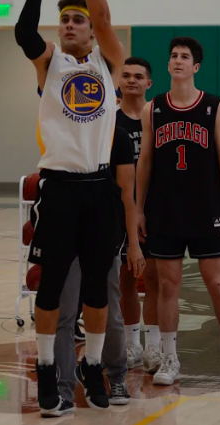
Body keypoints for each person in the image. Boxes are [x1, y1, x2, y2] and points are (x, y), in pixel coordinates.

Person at [14, 0, 145, 417]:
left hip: (100, 188)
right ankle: (48, 369)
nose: (69, 25)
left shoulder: (107, 65)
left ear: (90, 31)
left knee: (95, 286)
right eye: (64, 18)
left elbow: (107, 19)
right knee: (50, 287)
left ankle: (92, 366)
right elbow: (24, 32)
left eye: (78, 19)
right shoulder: (51, 64)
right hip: (61, 187)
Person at [136, 36, 220, 386]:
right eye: (174, 56)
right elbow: (145, 161)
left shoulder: (214, 106)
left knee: (216, 282)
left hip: (206, 207)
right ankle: (169, 359)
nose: (178, 60)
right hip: (165, 209)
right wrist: (139, 210)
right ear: (168, 65)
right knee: (168, 286)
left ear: (196, 66)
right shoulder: (152, 108)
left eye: (185, 56)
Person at [55, 121, 143, 412]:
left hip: (105, 237)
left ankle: (116, 376)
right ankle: (62, 386)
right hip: (67, 234)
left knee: (112, 315)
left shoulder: (116, 135)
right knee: (64, 314)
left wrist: (132, 244)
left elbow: (126, 195)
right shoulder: (63, 129)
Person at [117, 58, 162, 375]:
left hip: (155, 209)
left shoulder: (158, 118)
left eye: (139, 76)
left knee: (156, 279)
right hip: (118, 211)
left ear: (149, 84)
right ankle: (131, 343)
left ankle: (154, 345)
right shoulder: (108, 120)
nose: (131, 80)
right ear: (119, 82)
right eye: (126, 76)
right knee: (125, 280)